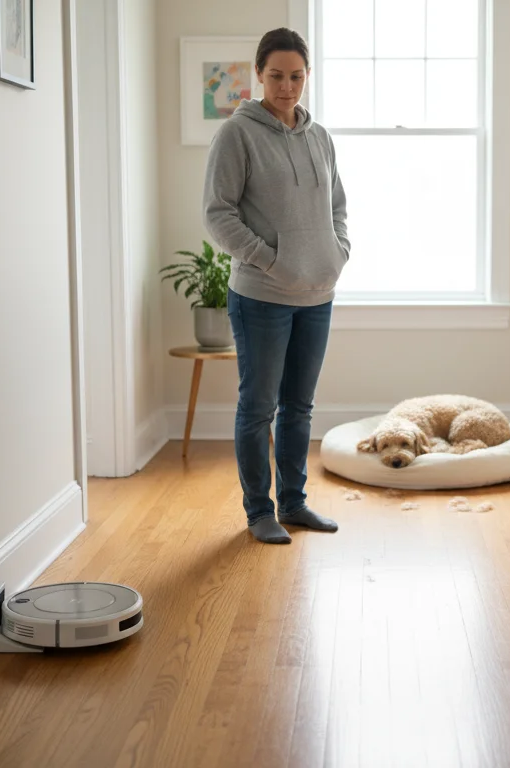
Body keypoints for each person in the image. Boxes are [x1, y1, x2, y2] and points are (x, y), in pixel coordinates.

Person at [202, 28, 349, 544]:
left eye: (297, 77)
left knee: (300, 407)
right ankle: (258, 512)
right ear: (259, 74)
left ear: (307, 76)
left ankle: (294, 504)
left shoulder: (320, 137)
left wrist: (338, 253)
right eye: (277, 76)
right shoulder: (237, 135)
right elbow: (217, 215)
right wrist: (271, 262)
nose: (287, 87)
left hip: (318, 296)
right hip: (261, 297)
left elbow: (337, 207)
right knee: (258, 407)